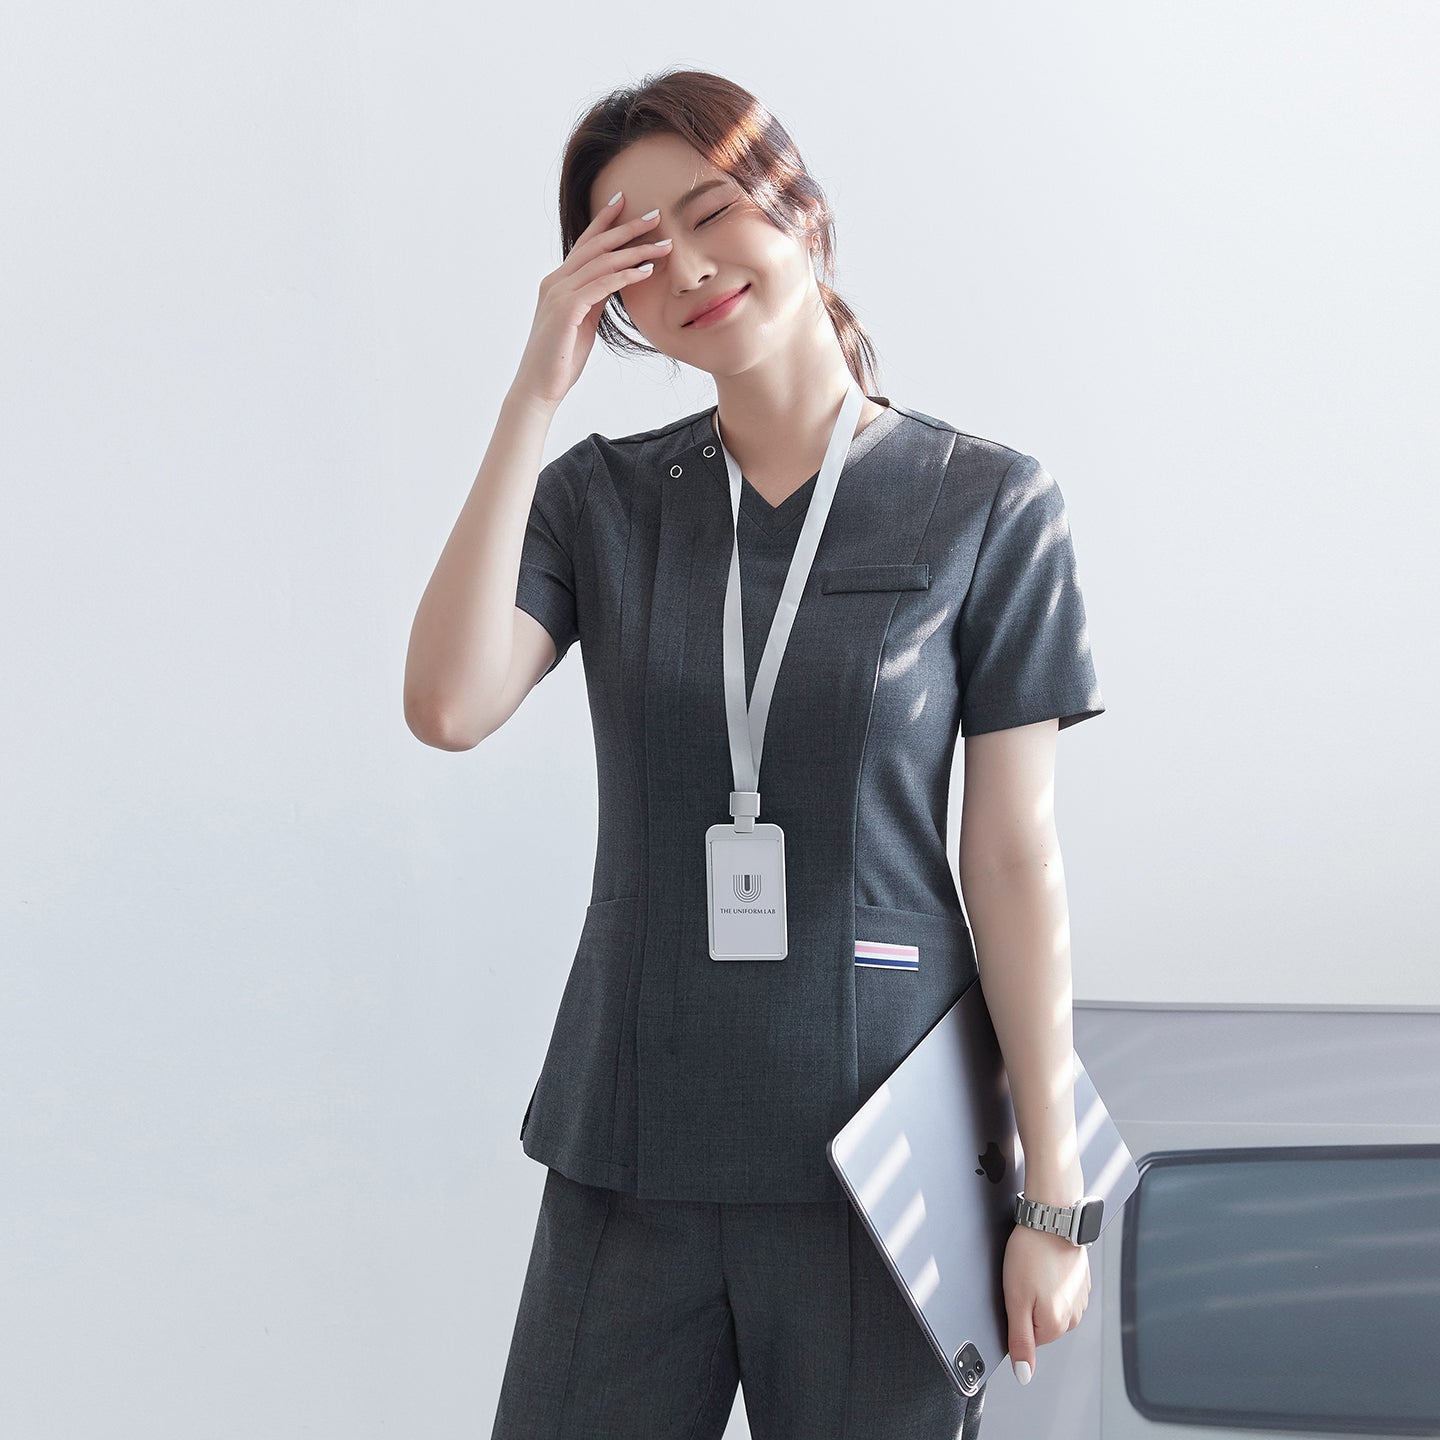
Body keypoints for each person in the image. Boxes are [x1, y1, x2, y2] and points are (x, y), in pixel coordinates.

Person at [405, 67, 1104, 1440]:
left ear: (803, 213)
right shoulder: (600, 501)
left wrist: (1053, 1192)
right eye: (636, 251)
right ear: (612, 305)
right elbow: (448, 704)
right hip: (634, 1138)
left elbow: (1015, 857)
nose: (690, 265)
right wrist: (532, 393)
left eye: (714, 210)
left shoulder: (989, 504)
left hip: (883, 1156)